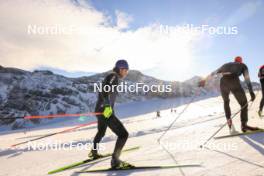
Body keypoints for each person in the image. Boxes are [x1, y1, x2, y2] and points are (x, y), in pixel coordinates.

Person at [89, 59, 133, 169]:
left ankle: (94, 152)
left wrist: (108, 107)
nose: (126, 72)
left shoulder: (113, 77)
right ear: (120, 69)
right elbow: (105, 91)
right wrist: (108, 107)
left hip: (101, 110)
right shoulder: (114, 76)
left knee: (101, 132)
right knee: (123, 134)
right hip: (105, 111)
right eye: (125, 70)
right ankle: (115, 160)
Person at [199, 56, 259, 132]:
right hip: (234, 81)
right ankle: (244, 125)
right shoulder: (243, 65)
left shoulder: (226, 64)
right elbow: (247, 79)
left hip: (223, 81)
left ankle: (230, 125)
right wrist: (251, 92)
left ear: (234, 61)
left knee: (226, 102)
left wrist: (204, 80)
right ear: (241, 61)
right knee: (244, 103)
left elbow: (213, 73)